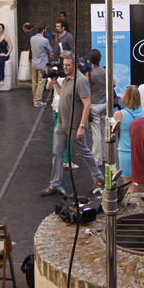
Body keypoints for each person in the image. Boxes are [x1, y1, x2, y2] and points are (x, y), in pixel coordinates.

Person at [41, 52, 89, 196]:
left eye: (68, 65)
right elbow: (53, 89)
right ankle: (54, 183)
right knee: (57, 152)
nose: (65, 67)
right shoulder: (66, 79)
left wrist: (81, 125)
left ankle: (99, 178)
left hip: (73, 122)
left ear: (75, 65)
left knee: (85, 153)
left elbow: (86, 103)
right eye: (64, 65)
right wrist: (54, 80)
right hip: (61, 118)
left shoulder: (79, 80)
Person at [75, 49, 107, 176]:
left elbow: (85, 87)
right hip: (105, 104)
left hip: (94, 105)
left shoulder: (90, 73)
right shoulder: (104, 71)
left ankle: (97, 159)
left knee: (96, 133)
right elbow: (113, 84)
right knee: (105, 131)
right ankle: (105, 156)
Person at [109, 85, 144, 182]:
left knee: (127, 184)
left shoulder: (119, 114)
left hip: (125, 153)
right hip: (142, 153)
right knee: (142, 183)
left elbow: (114, 134)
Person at [29, 24, 52, 106]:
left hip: (34, 63)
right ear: (43, 30)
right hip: (42, 63)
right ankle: (37, 101)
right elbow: (50, 51)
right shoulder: (45, 40)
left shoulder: (32, 38)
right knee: (41, 82)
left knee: (34, 82)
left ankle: (34, 99)